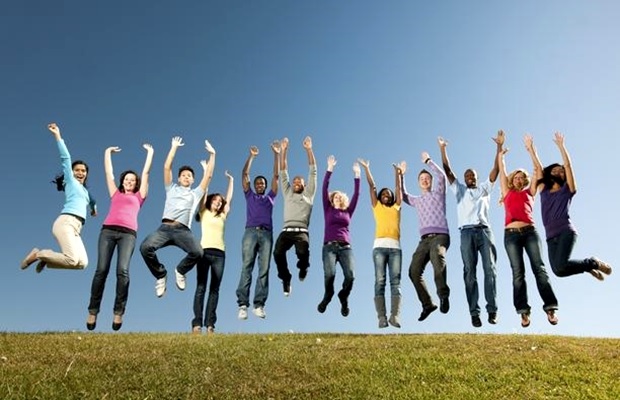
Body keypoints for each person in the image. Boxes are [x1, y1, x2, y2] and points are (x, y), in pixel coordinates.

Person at [85, 143, 154, 331]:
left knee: (122, 272)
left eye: (132, 180)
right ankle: (93, 311)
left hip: (128, 234)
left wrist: (150, 153)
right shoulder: (115, 193)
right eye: (126, 179)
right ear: (122, 181)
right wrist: (107, 152)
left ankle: (118, 312)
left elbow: (146, 173)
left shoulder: (140, 196)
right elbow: (109, 174)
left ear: (136, 183)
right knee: (101, 270)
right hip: (107, 231)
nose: (129, 181)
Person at [438, 132, 503, 328]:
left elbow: (496, 170)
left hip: (484, 232)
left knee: (490, 270)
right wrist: (443, 149)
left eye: (472, 175)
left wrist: (499, 147)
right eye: (467, 175)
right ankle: (474, 313)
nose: (469, 177)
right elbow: (447, 170)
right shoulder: (459, 190)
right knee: (469, 272)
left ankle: (492, 310)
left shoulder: (485, 189)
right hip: (466, 233)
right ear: (464, 179)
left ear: (476, 177)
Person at [528, 132, 612, 280]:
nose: (558, 172)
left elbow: (567, 165)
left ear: (564, 175)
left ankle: (593, 263)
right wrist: (531, 150)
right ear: (549, 174)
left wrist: (561, 146)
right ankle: (588, 267)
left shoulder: (567, 189)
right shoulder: (544, 190)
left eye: (561, 171)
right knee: (558, 271)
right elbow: (538, 167)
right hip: (550, 236)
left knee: (561, 266)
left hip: (565, 231)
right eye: (555, 170)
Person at [139, 136, 215, 297]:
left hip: (183, 231)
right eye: (184, 175)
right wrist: (174, 147)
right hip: (164, 229)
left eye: (189, 176)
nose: (186, 177)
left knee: (198, 252)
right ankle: (161, 275)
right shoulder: (171, 188)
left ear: (193, 180)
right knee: (145, 247)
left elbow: (208, 176)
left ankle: (180, 271)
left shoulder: (196, 194)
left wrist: (212, 154)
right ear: (179, 178)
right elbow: (167, 167)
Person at [497, 134, 559, 328]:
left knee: (539, 269)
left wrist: (531, 149)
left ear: (524, 180)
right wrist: (500, 152)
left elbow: (538, 171)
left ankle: (550, 307)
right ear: (512, 180)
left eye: (521, 177)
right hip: (510, 236)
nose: (518, 179)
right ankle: (523, 312)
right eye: (515, 177)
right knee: (518, 273)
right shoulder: (506, 192)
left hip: (530, 232)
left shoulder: (530, 192)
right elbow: (502, 171)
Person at [21, 122, 97, 273]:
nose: (80, 173)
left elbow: (92, 200)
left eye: (83, 171)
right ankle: (39, 254)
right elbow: (66, 158)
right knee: (72, 259)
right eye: (77, 170)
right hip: (66, 222)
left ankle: (48, 258)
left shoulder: (86, 192)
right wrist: (57, 135)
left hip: (76, 229)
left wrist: (94, 209)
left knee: (82, 263)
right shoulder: (70, 181)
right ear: (72, 172)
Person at [399, 152, 450, 322]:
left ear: (431, 181)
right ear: (418, 183)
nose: (425, 180)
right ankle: (427, 304)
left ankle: (443, 295)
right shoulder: (417, 200)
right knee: (413, 271)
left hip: (440, 236)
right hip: (424, 240)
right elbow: (403, 195)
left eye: (427, 178)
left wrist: (428, 161)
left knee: (437, 258)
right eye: (422, 179)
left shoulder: (439, 193)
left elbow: (441, 176)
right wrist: (401, 175)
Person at [236, 142, 280, 320]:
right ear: (254, 186)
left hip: (267, 234)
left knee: (264, 269)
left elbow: (276, 176)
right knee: (247, 266)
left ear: (265, 186)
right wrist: (252, 157)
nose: (260, 184)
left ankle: (259, 305)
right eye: (258, 183)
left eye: (262, 183)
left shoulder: (271, 197)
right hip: (250, 233)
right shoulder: (250, 195)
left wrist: (276, 154)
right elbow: (244, 174)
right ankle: (242, 305)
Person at [358, 159, 403, 328]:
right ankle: (382, 317)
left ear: (391, 197)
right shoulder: (377, 207)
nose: (386, 195)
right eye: (383, 193)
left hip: (395, 249)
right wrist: (367, 169)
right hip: (379, 248)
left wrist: (397, 174)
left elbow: (398, 189)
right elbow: (372, 186)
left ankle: (394, 316)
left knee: (395, 283)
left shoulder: (396, 207)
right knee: (380, 281)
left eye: (388, 194)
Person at [273, 136, 317, 296]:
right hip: (286, 231)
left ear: (305, 185)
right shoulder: (288, 193)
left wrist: (309, 149)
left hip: (301, 232)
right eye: (295, 182)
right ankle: (286, 278)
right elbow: (283, 172)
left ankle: (303, 267)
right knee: (277, 253)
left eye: (299, 182)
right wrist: (284, 151)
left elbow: (313, 172)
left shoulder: (309, 194)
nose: (296, 183)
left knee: (302, 251)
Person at [317, 155, 360, 317]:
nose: (337, 198)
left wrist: (357, 175)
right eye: (334, 196)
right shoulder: (327, 209)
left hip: (345, 248)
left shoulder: (348, 211)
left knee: (351, 276)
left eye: (339, 197)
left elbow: (357, 194)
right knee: (330, 274)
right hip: (329, 247)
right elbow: (324, 188)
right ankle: (328, 295)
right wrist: (330, 169)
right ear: (331, 199)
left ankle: (343, 296)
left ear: (342, 199)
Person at [192, 171, 234, 335]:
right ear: (210, 201)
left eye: (220, 201)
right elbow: (204, 191)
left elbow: (229, 198)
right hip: (203, 253)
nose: (218, 202)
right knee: (201, 288)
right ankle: (197, 324)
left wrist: (231, 180)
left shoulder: (223, 215)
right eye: (215, 200)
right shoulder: (203, 212)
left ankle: (210, 325)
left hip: (220, 255)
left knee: (214, 290)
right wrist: (206, 174)